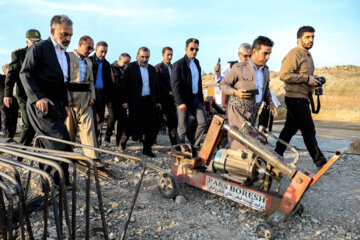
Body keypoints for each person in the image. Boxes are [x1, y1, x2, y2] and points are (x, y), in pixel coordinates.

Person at [20, 14, 73, 186]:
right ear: (52, 30)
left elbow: (63, 82)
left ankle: (48, 183)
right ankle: (58, 183)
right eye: (64, 34)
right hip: (41, 105)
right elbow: (25, 73)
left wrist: (64, 105)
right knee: (61, 142)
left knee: (46, 144)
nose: (68, 38)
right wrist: (38, 98)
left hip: (57, 105)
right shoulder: (39, 49)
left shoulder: (64, 55)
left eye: (70, 35)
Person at [274, 26, 327, 169]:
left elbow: (304, 77)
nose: (311, 40)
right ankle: (321, 162)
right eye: (307, 37)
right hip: (295, 98)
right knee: (309, 130)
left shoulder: (308, 55)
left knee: (288, 131)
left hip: (302, 98)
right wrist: (306, 79)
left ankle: (275, 157)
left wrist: (313, 79)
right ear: (299, 39)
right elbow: (284, 75)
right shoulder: (294, 54)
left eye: (313, 37)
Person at [219, 36, 277, 150]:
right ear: (254, 51)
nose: (268, 57)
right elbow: (222, 84)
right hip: (237, 111)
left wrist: (270, 102)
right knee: (241, 144)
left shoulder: (265, 71)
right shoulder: (239, 68)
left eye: (269, 54)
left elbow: (265, 89)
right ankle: (229, 163)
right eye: (265, 53)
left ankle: (225, 157)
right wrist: (235, 92)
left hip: (253, 112)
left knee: (248, 143)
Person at [65, 36, 104, 166]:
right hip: (71, 98)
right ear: (80, 45)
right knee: (69, 129)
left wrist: (92, 97)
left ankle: (92, 157)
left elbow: (91, 81)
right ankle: (66, 155)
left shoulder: (89, 61)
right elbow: (63, 80)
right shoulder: (67, 57)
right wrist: (67, 98)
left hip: (85, 98)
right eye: (89, 48)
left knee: (89, 128)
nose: (91, 51)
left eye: (92, 48)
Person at [4, 29, 41, 146]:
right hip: (24, 95)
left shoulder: (42, 54)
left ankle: (27, 147)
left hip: (39, 95)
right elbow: (11, 75)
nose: (36, 44)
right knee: (28, 124)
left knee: (37, 124)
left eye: (38, 42)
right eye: (33, 42)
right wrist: (7, 95)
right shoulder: (19, 54)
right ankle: (21, 152)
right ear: (27, 42)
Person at [121, 47, 161, 157]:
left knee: (151, 125)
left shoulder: (152, 69)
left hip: (149, 101)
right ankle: (123, 141)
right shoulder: (131, 67)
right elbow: (124, 85)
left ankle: (147, 149)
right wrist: (124, 100)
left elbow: (156, 86)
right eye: (142, 57)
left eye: (147, 57)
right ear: (138, 56)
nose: (144, 59)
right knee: (132, 123)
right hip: (135, 101)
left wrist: (158, 101)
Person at [172, 38, 207, 150]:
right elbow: (175, 85)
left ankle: (194, 145)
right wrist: (180, 102)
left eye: (197, 49)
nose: (194, 51)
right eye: (192, 49)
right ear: (186, 49)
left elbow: (198, 83)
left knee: (203, 122)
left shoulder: (197, 63)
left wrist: (201, 101)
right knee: (182, 127)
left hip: (195, 98)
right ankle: (180, 149)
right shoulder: (178, 64)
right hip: (183, 99)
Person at [107, 53, 131, 150]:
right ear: (119, 60)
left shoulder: (127, 70)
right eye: (125, 62)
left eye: (128, 63)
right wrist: (107, 98)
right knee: (113, 117)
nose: (126, 64)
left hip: (123, 99)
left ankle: (118, 140)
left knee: (122, 120)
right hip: (112, 98)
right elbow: (108, 83)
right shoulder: (111, 68)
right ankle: (108, 134)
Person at [89, 41, 111, 146]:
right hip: (90, 95)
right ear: (96, 49)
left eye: (105, 52)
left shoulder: (107, 64)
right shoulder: (89, 61)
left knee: (100, 120)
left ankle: (97, 143)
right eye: (101, 51)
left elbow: (108, 83)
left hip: (102, 95)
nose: (103, 54)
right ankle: (89, 142)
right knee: (90, 119)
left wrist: (108, 100)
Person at [155, 47, 178, 146]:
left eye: (171, 55)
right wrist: (168, 91)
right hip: (161, 99)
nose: (169, 57)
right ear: (162, 55)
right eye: (168, 54)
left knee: (173, 122)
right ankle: (152, 140)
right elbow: (158, 83)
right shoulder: (158, 67)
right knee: (157, 122)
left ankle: (174, 144)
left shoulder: (174, 67)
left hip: (172, 100)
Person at [0, 64, 18, 141]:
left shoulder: (14, 78)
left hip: (14, 101)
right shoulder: (1, 78)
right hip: (3, 102)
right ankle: (7, 135)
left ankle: (11, 135)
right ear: (4, 71)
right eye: (8, 70)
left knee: (14, 119)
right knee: (6, 118)